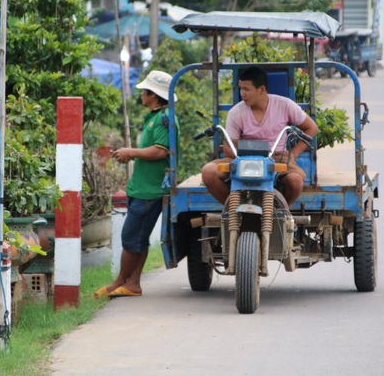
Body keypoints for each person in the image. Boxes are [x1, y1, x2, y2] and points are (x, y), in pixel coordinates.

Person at [93, 70, 179, 299]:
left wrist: (131, 152)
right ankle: (133, 283)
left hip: (149, 190)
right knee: (138, 238)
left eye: (144, 91)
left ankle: (120, 281)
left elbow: (160, 151)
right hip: (142, 187)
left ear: (154, 95)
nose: (141, 94)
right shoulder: (155, 116)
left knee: (131, 238)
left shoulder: (164, 118)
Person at [201, 66, 317, 207]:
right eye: (240, 88)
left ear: (262, 89)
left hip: (277, 157)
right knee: (208, 172)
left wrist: (293, 154)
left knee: (296, 181)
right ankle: (235, 209)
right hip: (243, 159)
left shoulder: (285, 105)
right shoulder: (236, 113)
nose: (242, 94)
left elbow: (311, 127)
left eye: (247, 89)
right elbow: (228, 149)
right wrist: (245, 154)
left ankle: (279, 213)